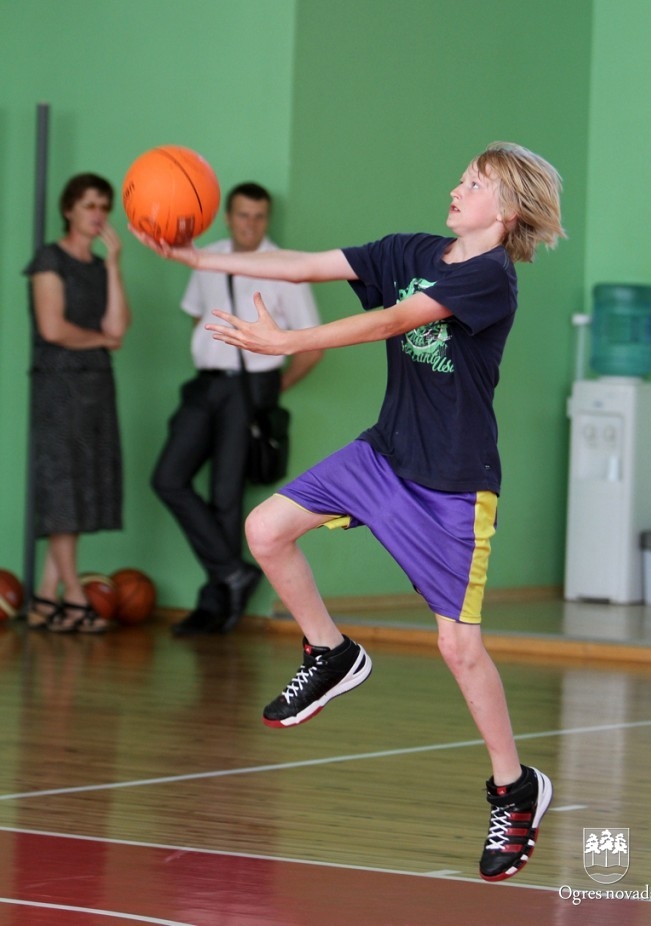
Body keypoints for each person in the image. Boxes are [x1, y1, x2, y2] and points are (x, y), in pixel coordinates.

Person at [132, 141, 565, 881]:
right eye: (459, 175)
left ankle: (514, 788)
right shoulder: (410, 248)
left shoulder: (494, 279)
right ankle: (331, 651)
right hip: (384, 454)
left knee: (459, 648)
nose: (456, 187)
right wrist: (194, 261)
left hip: (453, 484)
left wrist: (289, 341)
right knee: (264, 529)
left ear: (510, 208)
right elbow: (303, 265)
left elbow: (393, 324)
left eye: (474, 183)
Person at [152, 182, 323, 636]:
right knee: (168, 478)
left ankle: (216, 601)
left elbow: (311, 346)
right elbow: (197, 316)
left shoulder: (284, 267)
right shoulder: (206, 257)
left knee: (227, 496)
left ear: (267, 220)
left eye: (259, 216)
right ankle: (233, 572)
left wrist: (270, 388)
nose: (250, 224)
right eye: (243, 215)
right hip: (205, 384)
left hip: (250, 389)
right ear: (227, 217)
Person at [25, 173, 131, 633]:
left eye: (104, 206)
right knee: (62, 492)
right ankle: (72, 596)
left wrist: (113, 265)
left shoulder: (96, 264)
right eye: (89, 205)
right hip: (58, 388)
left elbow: (118, 327)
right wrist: (102, 340)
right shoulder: (50, 259)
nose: (98, 214)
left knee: (82, 491)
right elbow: (52, 329)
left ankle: (45, 599)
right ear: (69, 209)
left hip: (96, 388)